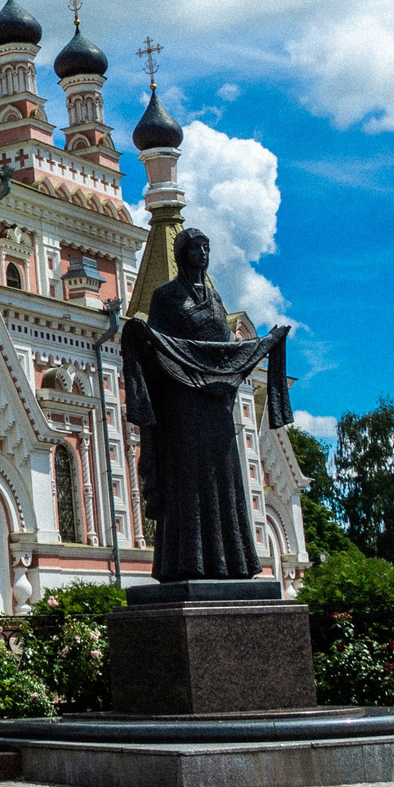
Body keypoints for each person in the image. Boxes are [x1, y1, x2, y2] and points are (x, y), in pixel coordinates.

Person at [121, 226, 291, 584]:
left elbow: (226, 351)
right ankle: (186, 562)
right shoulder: (166, 297)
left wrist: (267, 342)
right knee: (187, 480)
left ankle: (233, 561)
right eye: (197, 248)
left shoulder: (213, 299)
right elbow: (160, 349)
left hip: (216, 406)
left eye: (207, 248)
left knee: (226, 479)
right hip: (182, 405)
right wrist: (142, 336)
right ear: (182, 254)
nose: (204, 254)